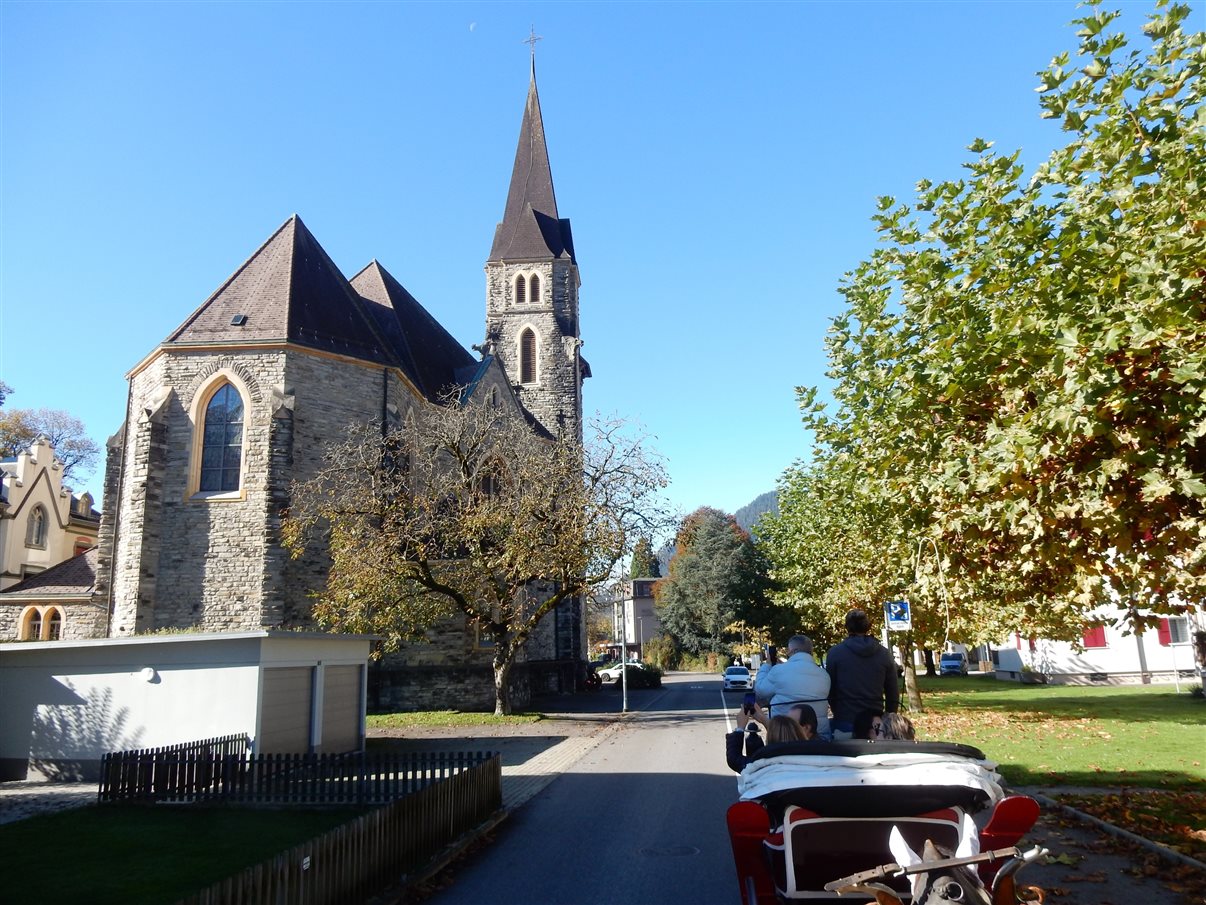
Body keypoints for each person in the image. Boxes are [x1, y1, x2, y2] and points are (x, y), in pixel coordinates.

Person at [826, 609, 901, 740]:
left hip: (845, 719)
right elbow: (892, 691)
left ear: (847, 627)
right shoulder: (884, 653)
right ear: (868, 626)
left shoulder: (835, 653)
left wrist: (837, 711)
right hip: (875, 720)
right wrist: (888, 718)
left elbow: (830, 689)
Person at [755, 634, 832, 740]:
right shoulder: (824, 675)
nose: (787, 653)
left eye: (788, 651)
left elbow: (760, 690)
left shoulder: (778, 671)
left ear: (794, 651)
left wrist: (767, 665)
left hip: (785, 735)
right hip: (819, 736)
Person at [725, 703, 767, 772]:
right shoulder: (780, 763)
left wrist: (740, 728)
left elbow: (733, 759)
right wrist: (766, 721)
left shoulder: (754, 767)